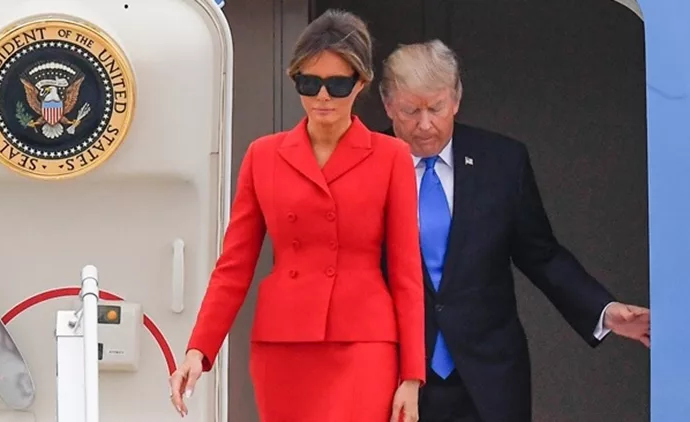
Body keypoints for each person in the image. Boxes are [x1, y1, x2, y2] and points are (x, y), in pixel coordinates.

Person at [169, 9, 426, 422]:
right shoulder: (263, 156)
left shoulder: (391, 156)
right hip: (283, 344)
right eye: (310, 83)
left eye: (337, 85)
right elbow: (234, 266)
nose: (323, 97)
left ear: (360, 84)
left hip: (365, 343)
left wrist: (412, 376)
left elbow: (406, 273)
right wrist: (199, 350)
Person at [377, 39, 651, 422]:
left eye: (436, 108)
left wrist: (604, 310)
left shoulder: (502, 162)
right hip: (395, 379)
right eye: (410, 110)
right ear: (388, 105)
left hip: (489, 377)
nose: (425, 124)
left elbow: (541, 254)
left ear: (456, 99)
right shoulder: (363, 166)